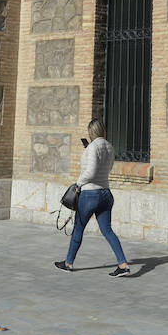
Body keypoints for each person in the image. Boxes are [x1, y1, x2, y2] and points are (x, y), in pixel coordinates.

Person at [54, 119, 132, 277]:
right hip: (106, 193)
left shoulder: (91, 148)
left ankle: (68, 263)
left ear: (91, 132)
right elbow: (107, 168)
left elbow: (90, 172)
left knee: (78, 229)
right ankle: (123, 264)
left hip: (90, 194)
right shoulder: (109, 146)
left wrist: (78, 184)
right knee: (107, 230)